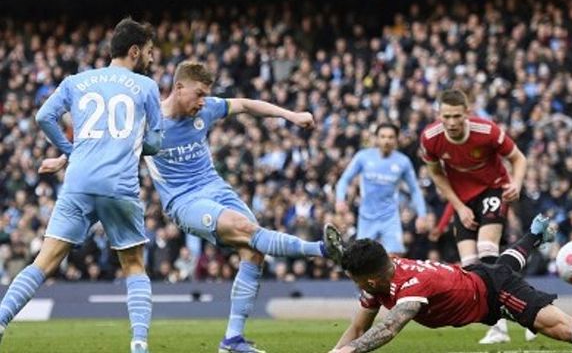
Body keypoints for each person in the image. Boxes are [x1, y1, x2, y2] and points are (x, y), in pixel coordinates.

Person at [143, 61, 342, 353]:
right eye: (198, 94)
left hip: (217, 188)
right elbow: (107, 146)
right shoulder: (148, 121)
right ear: (178, 87)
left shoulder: (208, 108)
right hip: (183, 201)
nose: (203, 101)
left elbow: (247, 105)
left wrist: (291, 115)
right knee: (248, 230)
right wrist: (65, 160)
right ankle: (322, 250)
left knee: (253, 250)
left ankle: (232, 340)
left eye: (205, 95)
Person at [0, 18, 162, 353]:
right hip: (119, 185)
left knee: (43, 262)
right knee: (133, 265)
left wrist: (72, 152)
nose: (151, 59)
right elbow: (156, 144)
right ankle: (140, 344)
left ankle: (0, 320)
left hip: (78, 183)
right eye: (148, 52)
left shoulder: (77, 81)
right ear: (134, 52)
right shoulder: (146, 87)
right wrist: (128, 143)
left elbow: (44, 116)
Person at [327, 215, 572, 353]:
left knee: (567, 331)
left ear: (371, 277)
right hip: (482, 276)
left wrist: (350, 352)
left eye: (354, 278)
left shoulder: (410, 287)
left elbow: (387, 330)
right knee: (504, 264)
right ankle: (532, 236)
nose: (354, 283)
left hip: (496, 295)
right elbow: (358, 327)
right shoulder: (380, 277)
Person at [419, 88, 529, 344]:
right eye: (446, 116)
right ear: (439, 114)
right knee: (470, 266)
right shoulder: (430, 138)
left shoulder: (487, 131)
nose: (452, 122)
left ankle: (515, 316)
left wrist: (517, 183)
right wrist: (458, 207)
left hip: (494, 188)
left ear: (467, 113)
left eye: (457, 116)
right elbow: (436, 174)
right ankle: (504, 320)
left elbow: (518, 158)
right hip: (463, 200)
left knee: (487, 248)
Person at [335, 123, 427, 255]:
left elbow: (415, 190)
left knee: (394, 259)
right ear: (377, 138)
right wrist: (340, 200)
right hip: (367, 217)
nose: (386, 141)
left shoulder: (402, 162)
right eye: (383, 137)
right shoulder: (363, 157)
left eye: (390, 137)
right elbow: (344, 180)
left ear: (396, 140)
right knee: (362, 260)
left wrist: (422, 215)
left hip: (389, 217)